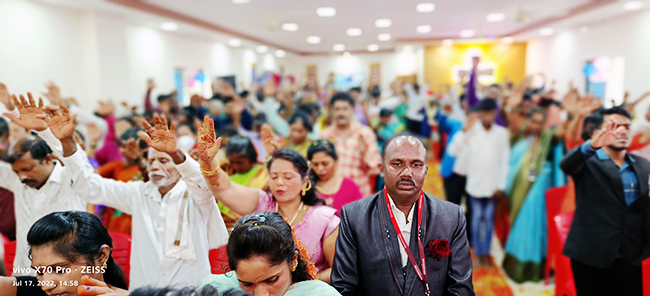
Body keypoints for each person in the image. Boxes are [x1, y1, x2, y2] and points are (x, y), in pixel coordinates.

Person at [46, 109, 228, 289]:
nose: (155, 166)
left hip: (191, 291)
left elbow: (204, 184)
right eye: (151, 162)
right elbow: (89, 186)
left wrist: (175, 154)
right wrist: (67, 142)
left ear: (180, 165)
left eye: (163, 161)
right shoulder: (138, 192)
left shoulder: (197, 194)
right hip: (145, 290)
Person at [196, 117, 339, 283]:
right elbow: (225, 188)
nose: (280, 182)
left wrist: (298, 285)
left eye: (287, 177)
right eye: (274, 176)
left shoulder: (324, 220)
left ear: (304, 182)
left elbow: (338, 269)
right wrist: (208, 161)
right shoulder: (261, 203)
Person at [331, 134, 474, 295]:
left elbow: (461, 288)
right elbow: (344, 287)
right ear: (382, 169)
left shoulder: (451, 216)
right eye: (397, 164)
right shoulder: (354, 216)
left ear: (426, 171)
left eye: (416, 164)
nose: (407, 173)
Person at [560, 107, 650, 296]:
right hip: (592, 256)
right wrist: (591, 146)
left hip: (630, 257)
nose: (622, 131)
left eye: (627, 126)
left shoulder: (643, 165)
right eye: (614, 126)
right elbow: (566, 165)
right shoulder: (588, 162)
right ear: (597, 132)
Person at [0, 94, 87, 275]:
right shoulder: (18, 181)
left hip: (66, 275)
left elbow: (76, 160)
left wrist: (45, 131)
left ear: (48, 159)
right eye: (17, 171)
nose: (22, 176)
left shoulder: (70, 178)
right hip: (26, 274)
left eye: (28, 169)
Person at [198, 212, 341, 296]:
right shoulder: (216, 290)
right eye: (247, 284)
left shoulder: (319, 295)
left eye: (272, 280)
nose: (261, 294)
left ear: (293, 261)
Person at [501, 108, 565, 282]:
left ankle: (532, 269)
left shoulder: (549, 139)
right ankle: (516, 266)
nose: (536, 125)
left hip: (538, 191)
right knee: (521, 225)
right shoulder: (522, 139)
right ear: (528, 121)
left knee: (533, 226)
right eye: (533, 121)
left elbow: (561, 134)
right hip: (518, 189)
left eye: (540, 122)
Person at [0, 211, 128, 296]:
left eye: (59, 270)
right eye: (40, 272)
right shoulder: (34, 288)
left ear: (101, 256)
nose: (46, 285)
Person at [447, 99, 510, 268]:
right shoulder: (471, 131)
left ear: (495, 114)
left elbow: (504, 161)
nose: (488, 116)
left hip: (493, 186)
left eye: (491, 112)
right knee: (475, 220)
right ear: (480, 114)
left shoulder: (502, 133)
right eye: (485, 112)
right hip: (474, 185)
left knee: (488, 220)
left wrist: (501, 186)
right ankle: (477, 254)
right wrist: (464, 130)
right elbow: (453, 150)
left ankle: (485, 254)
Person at [318, 93, 382, 196]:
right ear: (331, 111)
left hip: (359, 194)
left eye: (345, 109)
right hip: (332, 194)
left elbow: (375, 169)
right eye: (337, 109)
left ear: (352, 109)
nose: (341, 113)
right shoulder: (324, 136)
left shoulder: (365, 134)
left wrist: (363, 154)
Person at [95, 127, 149, 235]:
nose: (123, 151)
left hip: (138, 221)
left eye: (130, 147)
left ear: (144, 149)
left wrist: (139, 160)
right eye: (123, 147)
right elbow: (92, 176)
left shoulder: (150, 166)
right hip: (115, 220)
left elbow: (150, 179)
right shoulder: (117, 165)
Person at [307, 139, 363, 215]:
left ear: (335, 161)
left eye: (325, 164)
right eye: (315, 164)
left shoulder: (349, 186)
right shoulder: (307, 187)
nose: (320, 169)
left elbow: (360, 215)